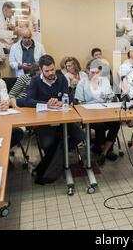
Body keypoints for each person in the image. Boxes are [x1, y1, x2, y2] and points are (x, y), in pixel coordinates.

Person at [23, 55, 84, 184]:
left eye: (52, 69)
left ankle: (58, 154)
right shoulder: (35, 81)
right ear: (40, 69)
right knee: (47, 144)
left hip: (63, 118)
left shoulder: (61, 79)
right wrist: (46, 104)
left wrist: (63, 102)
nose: (50, 73)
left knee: (80, 135)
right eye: (47, 71)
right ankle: (58, 157)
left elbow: (69, 98)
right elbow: (28, 101)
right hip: (44, 120)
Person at [75, 60, 119, 165]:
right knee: (100, 125)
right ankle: (103, 149)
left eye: (97, 73)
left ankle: (103, 151)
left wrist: (110, 100)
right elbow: (79, 102)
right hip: (89, 113)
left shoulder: (104, 81)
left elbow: (110, 96)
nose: (95, 75)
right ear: (87, 71)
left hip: (104, 110)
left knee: (116, 123)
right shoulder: (82, 83)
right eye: (92, 72)